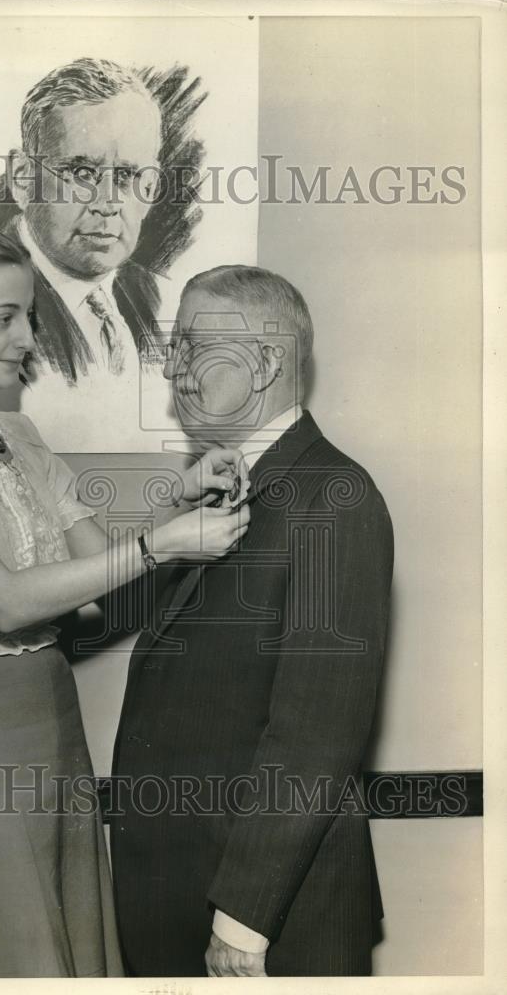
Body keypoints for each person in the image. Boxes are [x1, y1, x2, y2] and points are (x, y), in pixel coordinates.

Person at [0, 223, 250, 978]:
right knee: (8, 948)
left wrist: (176, 502)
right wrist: (162, 544)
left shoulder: (21, 435)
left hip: (49, 713)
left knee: (67, 945)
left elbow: (104, 590)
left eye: (29, 315)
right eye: (3, 316)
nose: (26, 336)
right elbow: (3, 603)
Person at [111, 266, 394, 977]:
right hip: (182, 894)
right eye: (172, 347)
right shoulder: (229, 491)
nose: (173, 367)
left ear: (267, 361)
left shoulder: (335, 497)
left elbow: (315, 736)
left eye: (195, 345)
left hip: (264, 921)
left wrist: (242, 923)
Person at [0, 58, 179, 451]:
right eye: (82, 174)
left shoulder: (165, 301)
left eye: (126, 177)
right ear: (23, 179)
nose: (107, 204)